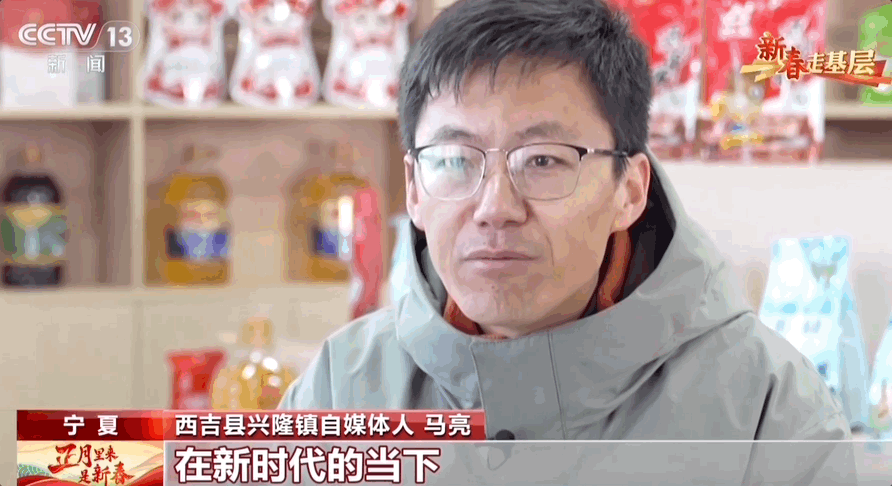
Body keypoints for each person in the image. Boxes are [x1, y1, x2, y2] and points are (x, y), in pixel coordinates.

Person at [281, 0, 856, 477]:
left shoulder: (767, 410)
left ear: (629, 189)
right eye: (454, 159)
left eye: (543, 160)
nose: (495, 208)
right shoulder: (339, 390)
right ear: (413, 188)